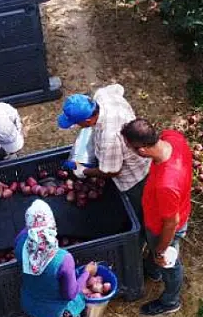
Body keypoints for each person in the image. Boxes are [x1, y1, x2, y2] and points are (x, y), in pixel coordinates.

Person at [121, 119, 192, 317]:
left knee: (170, 263)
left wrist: (161, 249)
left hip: (162, 228)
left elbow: (172, 222)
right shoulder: (172, 137)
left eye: (130, 146)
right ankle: (154, 271)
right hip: (166, 212)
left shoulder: (166, 184)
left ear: (142, 150)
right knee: (156, 255)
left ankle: (171, 301)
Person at [56, 84, 151, 225]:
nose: (76, 126)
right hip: (125, 148)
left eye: (76, 123)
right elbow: (119, 88)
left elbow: (112, 171)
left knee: (139, 207)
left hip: (133, 174)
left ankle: (143, 228)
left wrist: (83, 171)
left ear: (88, 120)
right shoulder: (102, 96)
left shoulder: (109, 137)